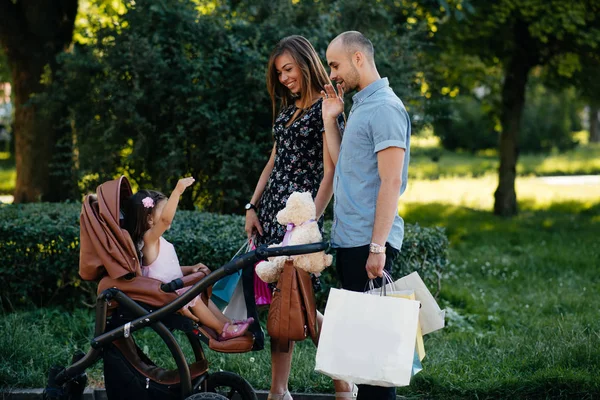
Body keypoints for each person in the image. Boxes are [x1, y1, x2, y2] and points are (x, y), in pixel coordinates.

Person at [244, 35, 353, 400]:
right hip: (274, 219)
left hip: (300, 223)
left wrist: (309, 224)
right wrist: (252, 206)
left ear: (305, 64)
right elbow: (273, 162)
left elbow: (331, 172)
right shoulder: (288, 110)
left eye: (288, 69)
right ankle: (278, 390)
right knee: (282, 305)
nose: (285, 78)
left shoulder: (326, 108)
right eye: (280, 73)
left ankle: (343, 382)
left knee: (302, 305)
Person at [321, 31, 412, 400]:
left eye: (335, 65)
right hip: (352, 240)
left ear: (358, 59)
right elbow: (345, 163)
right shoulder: (362, 105)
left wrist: (378, 248)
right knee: (363, 356)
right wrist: (331, 119)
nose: (332, 75)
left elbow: (391, 182)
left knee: (375, 365)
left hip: (368, 244)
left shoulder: (385, 108)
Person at [124, 177, 253, 341]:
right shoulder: (149, 240)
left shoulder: (159, 242)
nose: (171, 214)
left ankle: (227, 322)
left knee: (197, 289)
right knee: (190, 293)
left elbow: (166, 270)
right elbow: (165, 220)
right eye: (165, 210)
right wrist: (177, 191)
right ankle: (222, 329)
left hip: (171, 289)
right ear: (150, 219)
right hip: (163, 296)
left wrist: (190, 268)